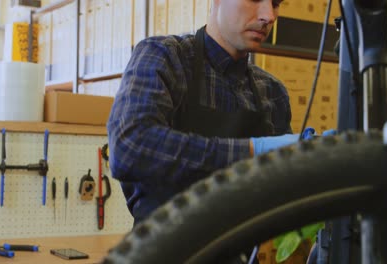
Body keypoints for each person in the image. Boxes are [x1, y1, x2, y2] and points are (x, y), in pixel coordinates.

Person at [107, 0, 301, 225]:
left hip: (239, 254)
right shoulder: (165, 57)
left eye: (276, 3)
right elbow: (130, 147)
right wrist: (250, 152)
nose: (269, 15)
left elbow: (281, 189)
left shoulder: (271, 90)